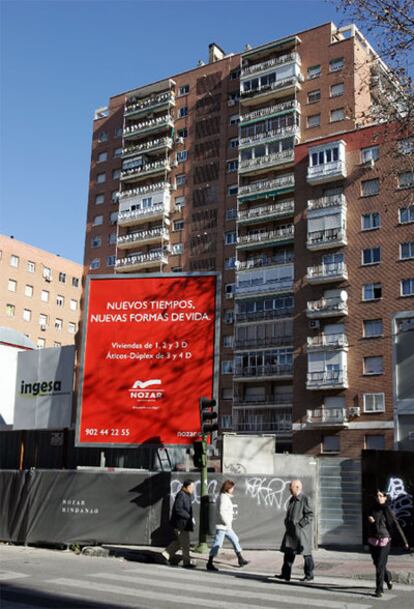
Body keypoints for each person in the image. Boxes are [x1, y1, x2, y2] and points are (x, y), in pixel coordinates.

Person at [368, 489, 409, 597]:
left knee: (380, 565)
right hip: (373, 540)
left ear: (385, 497)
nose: (379, 498)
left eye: (381, 496)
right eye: (377, 496)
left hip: (385, 540)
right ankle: (388, 577)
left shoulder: (387, 510)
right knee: (377, 564)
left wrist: (404, 542)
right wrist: (370, 520)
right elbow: (367, 521)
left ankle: (379, 589)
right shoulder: (372, 509)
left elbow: (396, 525)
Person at [206, 480, 249, 571]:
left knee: (235, 539)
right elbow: (221, 511)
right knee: (218, 544)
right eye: (232, 487)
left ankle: (240, 559)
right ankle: (209, 562)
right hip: (223, 526)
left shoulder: (224, 496)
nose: (233, 489)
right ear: (228, 488)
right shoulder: (223, 498)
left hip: (226, 526)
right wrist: (226, 522)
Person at [277, 479, 314, 582]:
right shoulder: (292, 499)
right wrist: (287, 522)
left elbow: (310, 515)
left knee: (306, 553)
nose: (289, 488)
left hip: (301, 533)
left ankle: (309, 575)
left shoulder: (305, 499)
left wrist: (300, 525)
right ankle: (285, 574)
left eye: (291, 486)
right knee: (288, 553)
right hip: (291, 532)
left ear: (297, 487)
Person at [162, 479, 196, 569]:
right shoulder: (181, 495)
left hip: (183, 523)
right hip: (181, 524)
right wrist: (189, 516)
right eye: (191, 487)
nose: (193, 489)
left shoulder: (186, 495)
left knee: (179, 542)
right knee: (185, 544)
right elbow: (178, 509)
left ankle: (165, 555)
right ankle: (186, 563)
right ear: (186, 487)